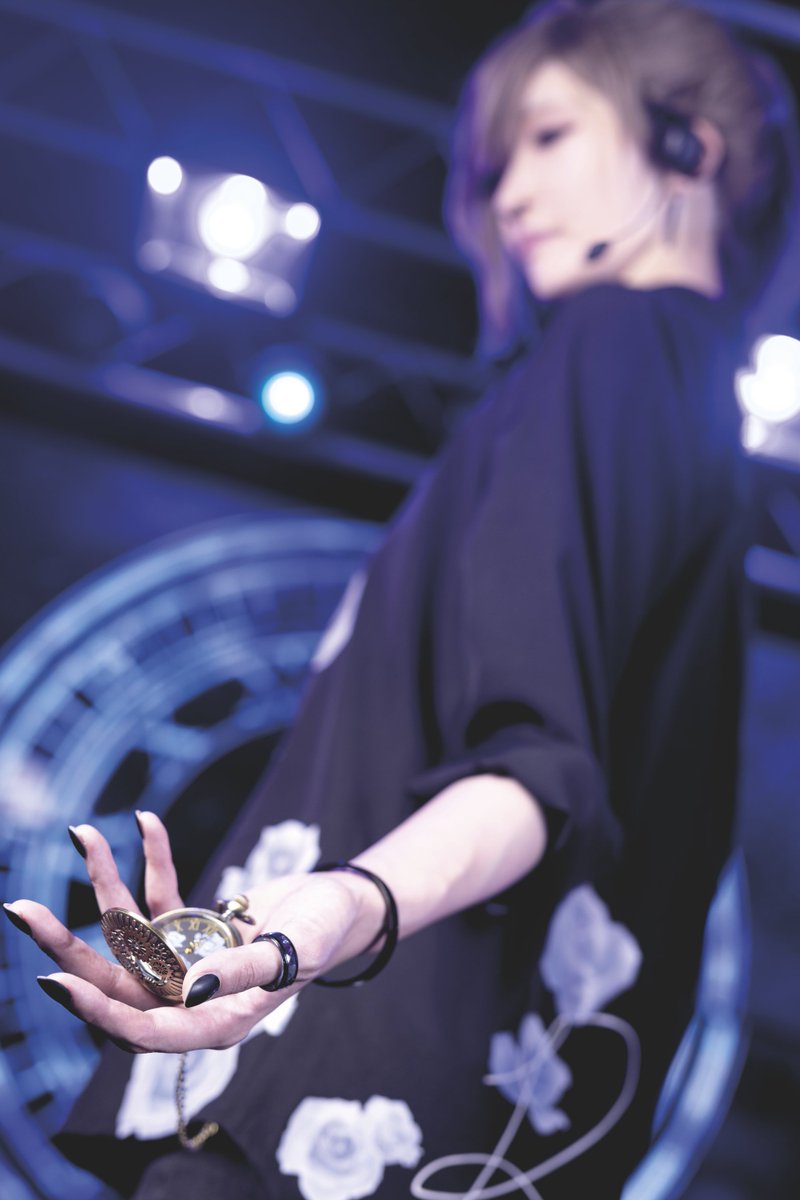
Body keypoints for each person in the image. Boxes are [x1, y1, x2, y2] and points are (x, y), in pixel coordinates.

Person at [5, 1, 798, 1197]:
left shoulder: (615, 346)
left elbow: (536, 766)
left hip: (344, 1077)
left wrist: (334, 915)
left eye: (548, 137)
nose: (507, 195)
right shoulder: (685, 407)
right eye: (496, 165)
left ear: (688, 149)